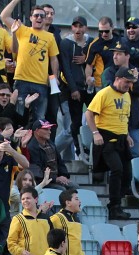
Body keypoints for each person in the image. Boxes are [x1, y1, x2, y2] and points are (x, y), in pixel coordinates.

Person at [85, 66, 137, 221]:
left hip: (121, 138)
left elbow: (123, 117)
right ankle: (114, 206)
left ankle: (118, 202)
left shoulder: (127, 95)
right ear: (117, 79)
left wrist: (127, 134)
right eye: (126, 81)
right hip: (107, 139)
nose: (128, 85)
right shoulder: (104, 93)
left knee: (127, 173)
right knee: (117, 169)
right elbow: (89, 114)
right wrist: (95, 133)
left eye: (130, 82)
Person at [0, 0, 58, 121]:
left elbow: (54, 59)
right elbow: (4, 16)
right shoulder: (22, 30)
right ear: (31, 18)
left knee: (40, 118)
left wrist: (55, 77)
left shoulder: (50, 37)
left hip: (41, 83)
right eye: (36, 15)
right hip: (22, 80)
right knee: (19, 116)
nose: (39, 18)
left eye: (42, 15)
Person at [7, 186, 50, 255]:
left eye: (28, 198)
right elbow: (11, 242)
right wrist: (20, 252)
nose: (25, 201)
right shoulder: (18, 219)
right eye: (23, 199)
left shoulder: (46, 218)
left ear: (36, 199)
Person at [59, 16, 91, 159]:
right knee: (75, 122)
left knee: (94, 120)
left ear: (85, 28)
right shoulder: (66, 43)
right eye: (75, 26)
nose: (78, 29)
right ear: (72, 28)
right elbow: (65, 68)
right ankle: (79, 152)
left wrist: (87, 59)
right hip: (74, 89)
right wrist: (73, 89)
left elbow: (97, 62)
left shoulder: (91, 42)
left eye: (81, 26)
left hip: (90, 88)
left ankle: (90, 150)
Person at [48, 190, 84, 255]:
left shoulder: (76, 218)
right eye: (76, 199)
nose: (80, 201)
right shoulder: (57, 218)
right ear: (68, 202)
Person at [25, 119, 75, 190]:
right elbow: (37, 172)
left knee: (75, 186)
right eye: (46, 129)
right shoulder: (32, 148)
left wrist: (64, 176)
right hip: (42, 182)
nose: (50, 132)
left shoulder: (51, 144)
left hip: (55, 179)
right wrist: (56, 179)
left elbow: (60, 163)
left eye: (49, 129)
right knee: (62, 189)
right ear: (37, 131)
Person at [84, 16, 120, 93]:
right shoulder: (95, 45)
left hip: (119, 81)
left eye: (106, 31)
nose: (103, 34)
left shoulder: (120, 40)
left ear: (112, 28)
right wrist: (88, 77)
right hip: (101, 84)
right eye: (101, 31)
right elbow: (89, 64)